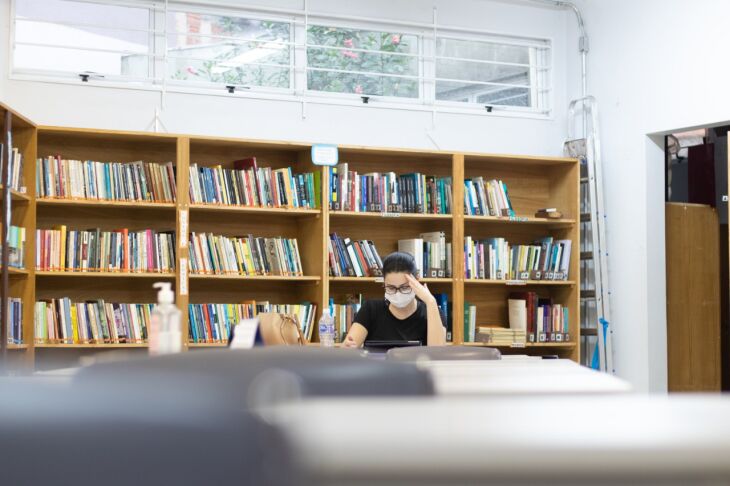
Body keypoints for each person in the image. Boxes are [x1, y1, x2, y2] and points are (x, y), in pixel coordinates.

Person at [342, 251, 446, 348]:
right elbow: (349, 346)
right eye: (391, 288)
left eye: (404, 287)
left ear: (416, 281)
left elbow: (437, 355)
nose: (397, 294)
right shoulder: (371, 309)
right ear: (384, 283)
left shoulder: (433, 312)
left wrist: (431, 301)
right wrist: (347, 348)